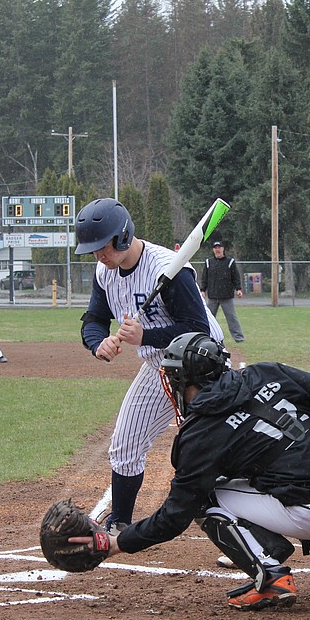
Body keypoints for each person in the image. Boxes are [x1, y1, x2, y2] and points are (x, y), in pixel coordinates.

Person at [77, 332, 310, 611]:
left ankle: (270, 576)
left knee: (206, 497)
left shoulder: (199, 433)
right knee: (283, 482)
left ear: (185, 381)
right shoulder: (264, 372)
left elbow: (175, 515)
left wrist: (118, 543)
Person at [74, 198, 223, 534]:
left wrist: (145, 335)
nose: (99, 255)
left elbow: (196, 326)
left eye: (104, 246)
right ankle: (119, 525)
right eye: (93, 249)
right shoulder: (105, 273)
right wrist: (98, 343)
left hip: (202, 361)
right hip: (159, 364)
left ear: (123, 236)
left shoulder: (167, 269)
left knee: (211, 450)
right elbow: (95, 317)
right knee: (125, 444)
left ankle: (247, 532)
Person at [199, 241, 245, 343]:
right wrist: (203, 290)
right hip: (212, 296)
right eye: (215, 247)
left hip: (227, 296)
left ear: (223, 249)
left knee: (232, 318)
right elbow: (204, 278)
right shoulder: (208, 262)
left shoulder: (230, 262)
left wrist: (238, 289)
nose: (217, 249)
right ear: (213, 250)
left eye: (219, 247)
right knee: (208, 318)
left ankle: (239, 338)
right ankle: (205, 337)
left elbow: (236, 277)